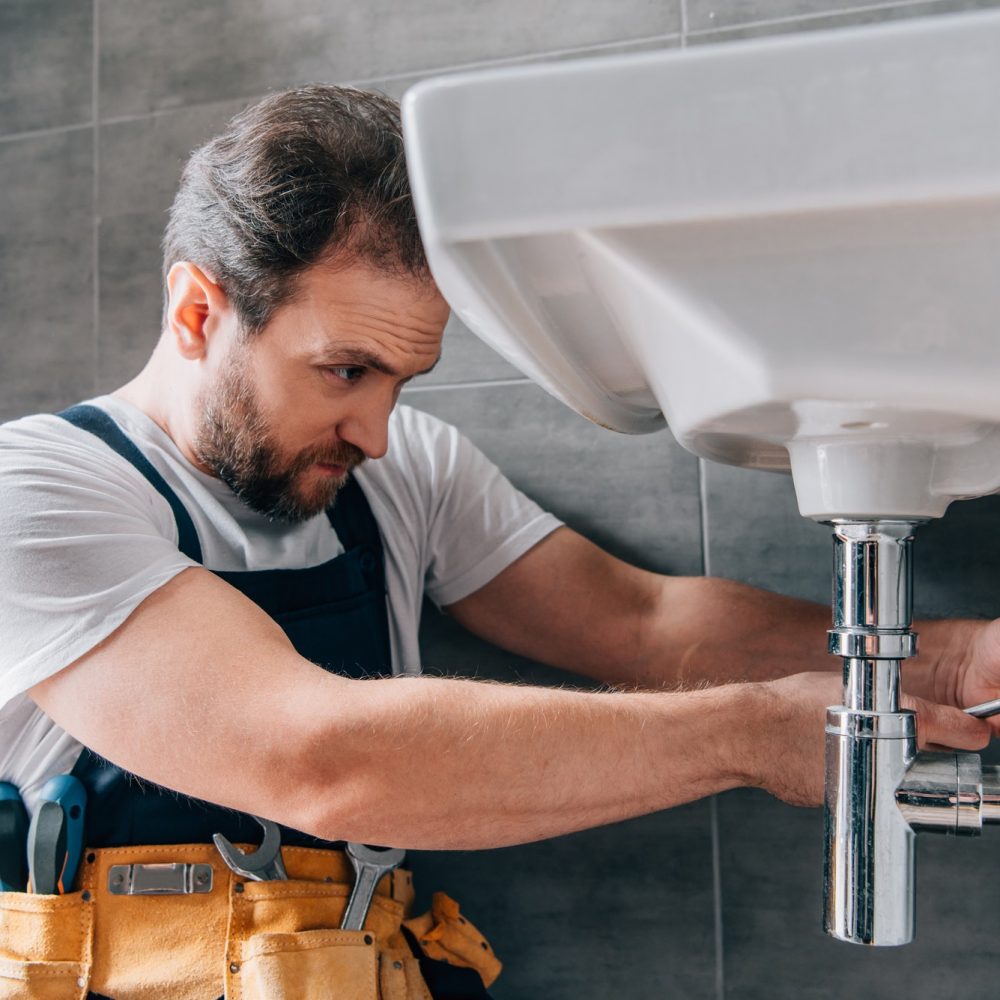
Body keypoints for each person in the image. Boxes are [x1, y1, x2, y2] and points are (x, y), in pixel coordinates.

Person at [0, 84, 996, 999]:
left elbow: (640, 621)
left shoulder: (402, 467)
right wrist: (748, 732)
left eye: (401, 381)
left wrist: (951, 659)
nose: (377, 432)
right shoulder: (38, 491)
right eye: (345, 371)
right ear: (196, 311)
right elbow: (314, 762)